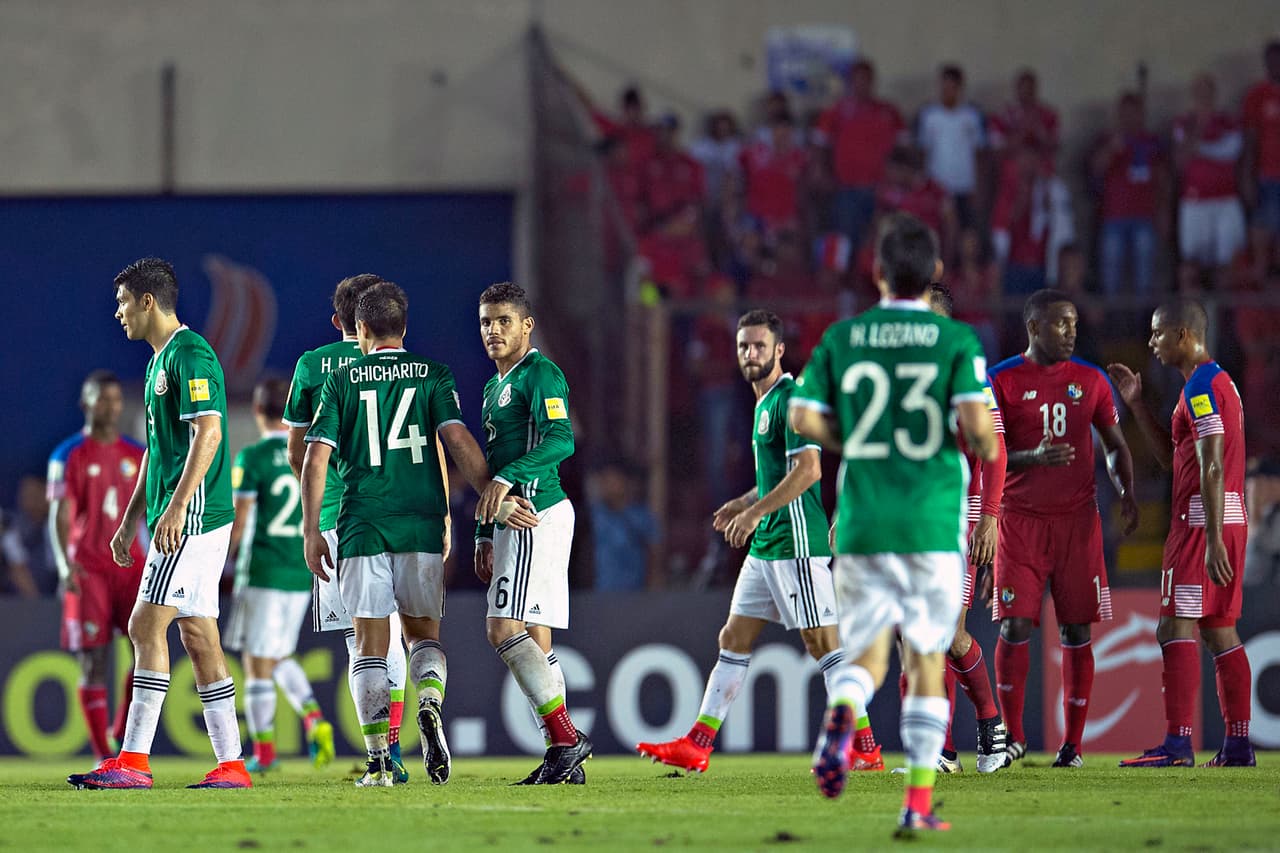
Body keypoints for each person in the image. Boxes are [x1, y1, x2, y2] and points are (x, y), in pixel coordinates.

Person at [791, 213, 998, 836]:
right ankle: (916, 805)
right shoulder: (955, 341)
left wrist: (853, 437)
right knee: (926, 658)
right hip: (931, 520)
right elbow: (983, 436)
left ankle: (844, 713)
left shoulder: (842, 338)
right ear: (935, 272)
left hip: (861, 519)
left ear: (876, 271)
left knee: (869, 654)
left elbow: (801, 418)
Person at [302, 282, 536, 787]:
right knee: (423, 637)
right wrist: (494, 493)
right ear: (404, 328)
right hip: (423, 523)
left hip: (362, 523)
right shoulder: (434, 375)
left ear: (360, 330)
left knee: (368, 645)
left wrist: (310, 529)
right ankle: (428, 704)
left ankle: (380, 761)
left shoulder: (340, 381)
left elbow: (314, 459)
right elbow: (458, 442)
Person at [637, 309, 882, 775]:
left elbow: (809, 471)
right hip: (767, 544)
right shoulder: (764, 402)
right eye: (744, 346)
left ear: (780, 350)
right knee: (734, 638)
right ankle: (699, 742)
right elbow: (777, 476)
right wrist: (743, 500)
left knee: (823, 643)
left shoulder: (790, 400)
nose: (751, 354)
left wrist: (753, 513)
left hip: (794, 542)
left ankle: (865, 745)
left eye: (759, 346)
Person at [69, 257, 250, 789]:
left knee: (145, 626)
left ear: (148, 301)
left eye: (124, 301)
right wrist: (130, 519)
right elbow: (157, 448)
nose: (118, 311)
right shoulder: (157, 364)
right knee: (197, 633)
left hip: (194, 515)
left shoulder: (190, 354)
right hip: (183, 513)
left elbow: (209, 434)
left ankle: (134, 761)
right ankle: (232, 763)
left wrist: (173, 508)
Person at [986, 289, 1139, 769]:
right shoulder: (1002, 380)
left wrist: (1126, 490)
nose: (1071, 331)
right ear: (1034, 328)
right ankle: (1013, 736)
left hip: (1078, 523)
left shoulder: (1091, 381)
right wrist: (1031, 458)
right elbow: (985, 453)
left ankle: (1072, 745)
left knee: (1076, 631)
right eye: (1060, 324)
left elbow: (1114, 445)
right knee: (1014, 625)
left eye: (1073, 323)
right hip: (1020, 521)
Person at [1109, 299, 1255, 768]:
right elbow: (1177, 460)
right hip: (1225, 518)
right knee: (1218, 630)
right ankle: (1237, 746)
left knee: (1173, 626)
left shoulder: (1199, 388)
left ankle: (1177, 744)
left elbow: (1212, 463)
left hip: (1200, 524)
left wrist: (1211, 537)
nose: (1151, 342)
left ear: (1183, 336)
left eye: (1157, 334)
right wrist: (1135, 403)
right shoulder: (1215, 384)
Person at [282, 273, 414, 782]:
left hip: (339, 517)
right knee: (397, 632)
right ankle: (401, 743)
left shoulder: (313, 366)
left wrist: (317, 500)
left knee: (359, 642)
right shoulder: (401, 364)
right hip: (399, 512)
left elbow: (298, 453)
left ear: (338, 320)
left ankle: (382, 754)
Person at [473, 282, 593, 785]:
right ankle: (561, 761)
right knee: (537, 640)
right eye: (485, 322)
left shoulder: (541, 374)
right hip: (512, 519)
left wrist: (505, 481)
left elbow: (563, 438)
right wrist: (482, 532)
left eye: (504, 321)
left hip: (533, 513)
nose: (493, 331)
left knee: (502, 629)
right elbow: (496, 459)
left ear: (527, 325)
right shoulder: (493, 385)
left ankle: (565, 737)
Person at [225, 378, 335, 773]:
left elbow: (240, 520)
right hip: (300, 569)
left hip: (264, 569)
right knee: (279, 654)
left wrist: (224, 558)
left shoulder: (251, 458)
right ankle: (314, 720)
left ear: (257, 412)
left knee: (257, 661)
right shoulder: (307, 455)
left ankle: (265, 752)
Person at [924, 284, 1011, 774]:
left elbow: (993, 444)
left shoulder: (968, 371)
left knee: (945, 634)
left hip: (960, 515)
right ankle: (943, 751)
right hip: (914, 517)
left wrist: (991, 517)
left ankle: (988, 726)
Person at [47, 370, 146, 760]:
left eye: (116, 399)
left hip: (131, 566)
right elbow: (60, 514)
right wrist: (62, 564)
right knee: (94, 659)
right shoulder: (68, 454)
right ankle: (103, 753)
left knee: (146, 648)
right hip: (88, 569)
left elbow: (152, 511)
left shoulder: (137, 454)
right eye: (102, 399)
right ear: (85, 403)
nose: (111, 406)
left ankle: (121, 728)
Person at [814, 59, 906, 251]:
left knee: (883, 241)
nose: (862, 84)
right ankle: (846, 280)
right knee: (846, 243)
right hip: (847, 189)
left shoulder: (889, 112)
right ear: (850, 82)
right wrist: (824, 175)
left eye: (867, 79)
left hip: (882, 190)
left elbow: (904, 150)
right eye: (858, 79)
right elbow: (820, 146)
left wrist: (899, 178)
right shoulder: (836, 112)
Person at [1090, 91, 1168, 301]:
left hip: (1145, 216)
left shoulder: (1153, 142)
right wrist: (1112, 148)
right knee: (1111, 271)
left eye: (1135, 113)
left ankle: (1143, 321)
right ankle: (1111, 324)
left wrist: (1162, 211)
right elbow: (1096, 169)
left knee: (1145, 272)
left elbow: (1163, 179)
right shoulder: (1107, 140)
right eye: (1125, 113)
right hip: (1114, 217)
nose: (1130, 118)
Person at [1172, 74, 1246, 275]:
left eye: (1207, 92)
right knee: (1192, 263)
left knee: (1229, 262)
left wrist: (1199, 149)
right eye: (1199, 93)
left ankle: (1224, 306)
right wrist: (1199, 127)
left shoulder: (1228, 121)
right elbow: (1182, 158)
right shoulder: (1184, 123)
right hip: (1194, 202)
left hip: (1226, 199)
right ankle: (1195, 306)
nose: (1203, 97)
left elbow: (1231, 152)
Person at [916, 64, 987, 229]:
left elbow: (979, 153)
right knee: (938, 231)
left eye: (952, 87)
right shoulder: (929, 115)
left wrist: (979, 187)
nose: (947, 91)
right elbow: (924, 151)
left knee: (966, 231)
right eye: (944, 87)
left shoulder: (971, 116)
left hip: (965, 186)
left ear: (960, 88)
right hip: (937, 186)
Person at [588, 460, 660, 591]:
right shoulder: (594, 515)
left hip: (635, 592)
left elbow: (654, 553)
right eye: (604, 481)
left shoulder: (642, 516)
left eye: (613, 481)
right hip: (601, 592)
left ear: (625, 482)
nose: (608, 486)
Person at [1243, 40, 1280, 247]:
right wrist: (1248, 178)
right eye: (1271, 61)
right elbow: (1250, 141)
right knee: (1266, 238)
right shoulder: (1256, 96)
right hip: (1267, 177)